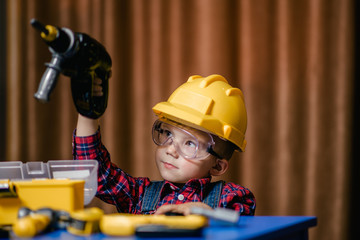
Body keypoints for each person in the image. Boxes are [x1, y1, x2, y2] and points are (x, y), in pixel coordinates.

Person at [73, 74, 256, 216]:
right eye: (168, 134)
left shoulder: (230, 198)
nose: (170, 149)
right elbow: (97, 175)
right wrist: (87, 113)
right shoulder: (139, 195)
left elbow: (242, 220)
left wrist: (207, 213)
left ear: (217, 165)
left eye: (190, 143)